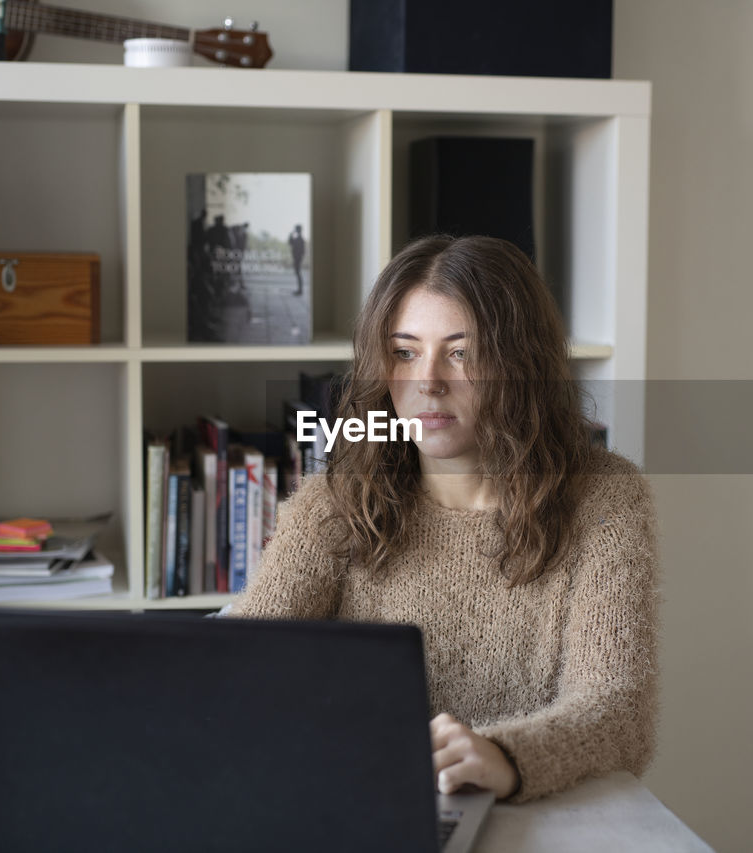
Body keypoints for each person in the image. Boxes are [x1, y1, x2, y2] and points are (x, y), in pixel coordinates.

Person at [224, 235, 658, 803]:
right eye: (405, 352)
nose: (427, 382)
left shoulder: (603, 497)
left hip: (538, 817)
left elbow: (617, 713)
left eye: (461, 352)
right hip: (361, 808)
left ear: (520, 365)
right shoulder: (335, 500)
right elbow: (239, 667)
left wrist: (504, 757)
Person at [288, 224, 306, 295]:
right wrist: (292, 234)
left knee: (298, 274)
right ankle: (300, 290)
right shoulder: (298, 239)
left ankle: (300, 290)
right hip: (297, 258)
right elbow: (290, 242)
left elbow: (302, 251)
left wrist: (298, 258)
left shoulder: (300, 239)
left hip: (297, 259)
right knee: (298, 273)